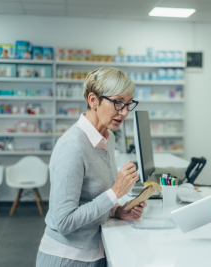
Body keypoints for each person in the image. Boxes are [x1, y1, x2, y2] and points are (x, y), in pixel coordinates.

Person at [36, 67, 146, 267]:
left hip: (95, 253)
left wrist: (117, 210)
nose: (124, 112)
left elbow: (92, 197)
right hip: (68, 258)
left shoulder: (107, 138)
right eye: (118, 102)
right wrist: (115, 192)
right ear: (93, 100)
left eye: (129, 104)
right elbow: (64, 222)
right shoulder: (72, 146)